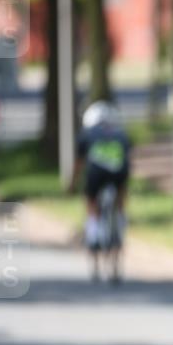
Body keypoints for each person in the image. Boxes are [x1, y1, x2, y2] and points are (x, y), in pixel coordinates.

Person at [75, 100, 132, 282]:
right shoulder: (121, 134)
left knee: (91, 203)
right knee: (122, 191)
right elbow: (128, 158)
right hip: (118, 174)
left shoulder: (87, 134)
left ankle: (93, 233)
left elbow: (79, 163)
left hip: (96, 175)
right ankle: (121, 219)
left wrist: (71, 183)